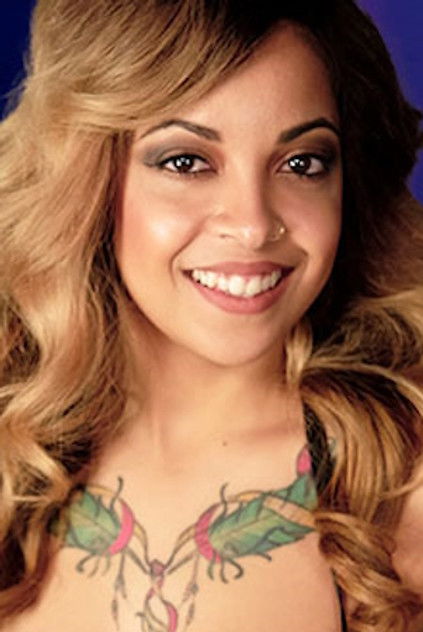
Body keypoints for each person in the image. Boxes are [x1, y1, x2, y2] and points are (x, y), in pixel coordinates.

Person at [0, 1, 422, 630]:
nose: (253, 225)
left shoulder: (394, 487)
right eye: (186, 162)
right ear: (87, 176)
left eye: (302, 163)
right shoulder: (15, 451)